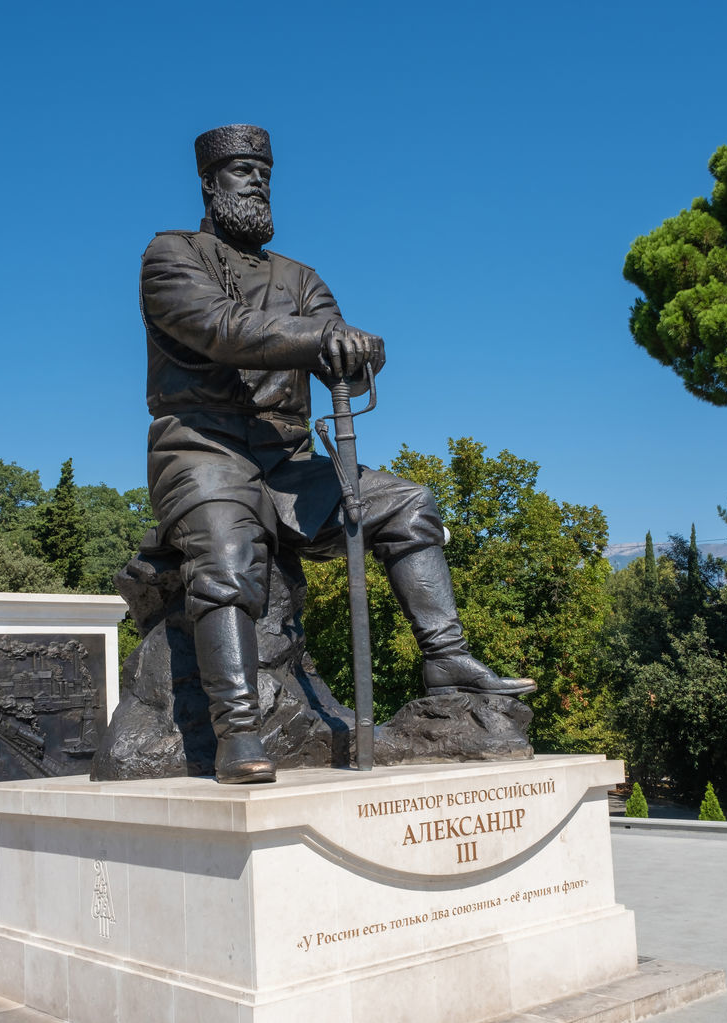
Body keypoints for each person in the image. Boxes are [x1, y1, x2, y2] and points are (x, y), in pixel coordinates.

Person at [141, 124, 534, 785]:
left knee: (408, 504)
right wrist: (321, 337)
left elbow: (339, 347)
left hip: (286, 457)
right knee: (227, 554)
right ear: (209, 184)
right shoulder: (170, 253)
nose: (258, 182)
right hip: (201, 445)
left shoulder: (300, 278)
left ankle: (446, 658)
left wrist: (355, 357)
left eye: (263, 172)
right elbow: (218, 329)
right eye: (241, 172)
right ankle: (237, 731)